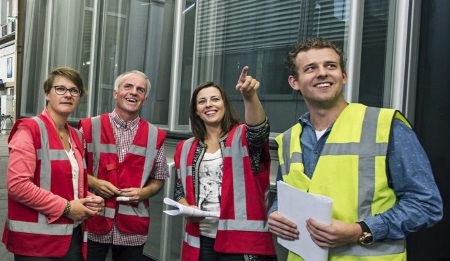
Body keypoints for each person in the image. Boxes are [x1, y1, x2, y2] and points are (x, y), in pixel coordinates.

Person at [267, 37, 443, 260]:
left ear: (344, 76)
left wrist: (360, 230)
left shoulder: (385, 126)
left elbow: (426, 205)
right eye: (311, 68)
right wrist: (274, 214)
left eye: (330, 66)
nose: (322, 73)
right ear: (294, 82)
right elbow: (285, 198)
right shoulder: (288, 139)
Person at [173, 66, 277, 261]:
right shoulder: (185, 147)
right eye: (202, 101)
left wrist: (249, 96)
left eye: (215, 99)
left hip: (242, 241)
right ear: (196, 111)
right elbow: (179, 190)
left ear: (224, 104)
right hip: (201, 239)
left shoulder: (243, 137)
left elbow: (259, 130)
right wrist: (186, 208)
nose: (209, 105)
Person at [2, 66, 105, 260]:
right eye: (60, 89)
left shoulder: (76, 136)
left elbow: (68, 182)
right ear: (47, 94)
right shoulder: (29, 130)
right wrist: (67, 208)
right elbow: (17, 186)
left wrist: (88, 198)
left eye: (74, 90)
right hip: (35, 243)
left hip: (70, 236)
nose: (68, 95)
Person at [78, 70, 169, 261]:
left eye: (140, 90)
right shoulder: (88, 127)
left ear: (144, 100)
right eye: (128, 86)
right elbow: (73, 168)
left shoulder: (155, 135)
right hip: (93, 218)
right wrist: (93, 182)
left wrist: (144, 193)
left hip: (133, 225)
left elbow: (158, 177)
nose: (134, 92)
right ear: (115, 93)